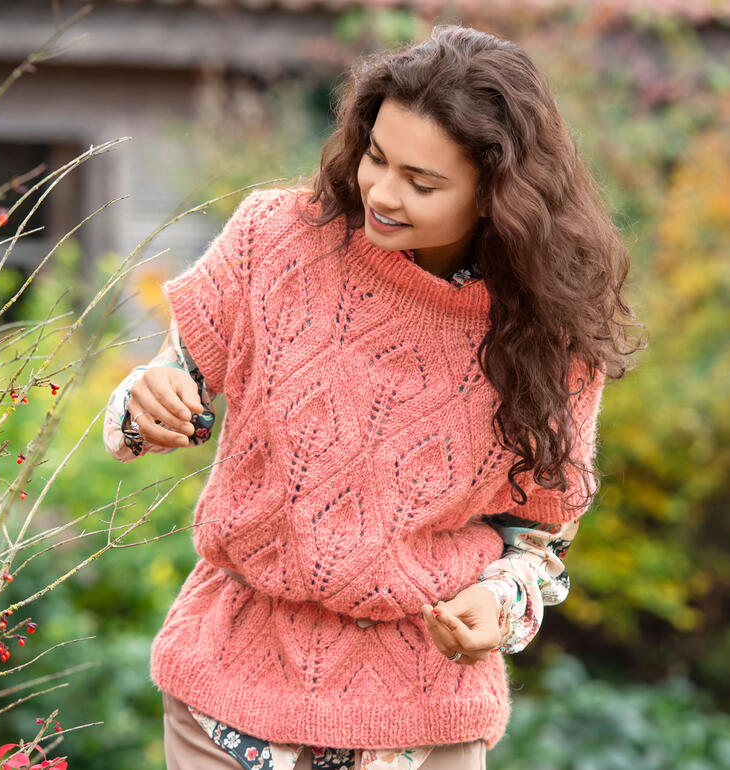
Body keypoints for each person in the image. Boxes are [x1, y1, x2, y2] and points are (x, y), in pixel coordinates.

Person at [103, 23, 639, 770]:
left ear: (496, 193)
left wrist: (500, 607)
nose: (382, 193)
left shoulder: (551, 338)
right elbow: (156, 396)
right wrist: (142, 403)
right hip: (226, 698)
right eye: (376, 159)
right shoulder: (276, 238)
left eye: (422, 182)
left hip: (421, 723)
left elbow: (539, 544)